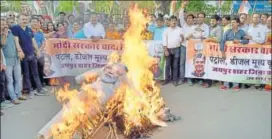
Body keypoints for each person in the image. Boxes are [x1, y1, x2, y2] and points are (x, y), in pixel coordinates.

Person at [12, 14, 48, 99]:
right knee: (26, 74)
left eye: (25, 19)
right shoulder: (16, 28)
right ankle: (30, 91)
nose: (24, 21)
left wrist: (38, 50)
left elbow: (33, 41)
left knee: (35, 73)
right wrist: (19, 51)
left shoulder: (28, 29)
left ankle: (39, 89)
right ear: (18, 20)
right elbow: (16, 41)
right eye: (23, 19)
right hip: (24, 55)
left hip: (32, 54)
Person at [1, 18, 27, 104]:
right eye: (2, 24)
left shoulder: (11, 32)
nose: (4, 26)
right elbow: (2, 45)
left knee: (18, 78)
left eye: (5, 24)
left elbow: (16, 43)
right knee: (10, 80)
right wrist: (4, 34)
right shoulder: (2, 35)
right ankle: (13, 97)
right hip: (7, 61)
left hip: (16, 59)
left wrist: (19, 52)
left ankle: (18, 94)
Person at [220, 16, 249, 91]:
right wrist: (222, 52)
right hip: (228, 54)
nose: (232, 23)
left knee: (236, 68)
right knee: (227, 68)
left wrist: (239, 41)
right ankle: (226, 84)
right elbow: (222, 41)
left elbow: (246, 41)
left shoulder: (242, 32)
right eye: (231, 22)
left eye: (234, 22)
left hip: (238, 55)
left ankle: (235, 85)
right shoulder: (227, 31)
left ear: (238, 23)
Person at [162, 16, 184, 86]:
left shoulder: (180, 29)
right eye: (172, 21)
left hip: (177, 49)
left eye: (175, 20)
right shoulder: (166, 30)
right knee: (167, 65)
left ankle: (175, 80)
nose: (173, 22)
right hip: (168, 49)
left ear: (177, 22)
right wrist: (165, 50)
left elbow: (181, 40)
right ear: (169, 22)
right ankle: (167, 79)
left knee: (175, 65)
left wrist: (182, 38)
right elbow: (164, 40)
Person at [202, 15, 223, 88]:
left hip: (215, 51)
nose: (212, 22)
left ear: (217, 21)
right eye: (211, 21)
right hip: (208, 50)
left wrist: (209, 39)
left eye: (213, 21)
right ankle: (209, 80)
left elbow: (219, 39)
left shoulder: (219, 28)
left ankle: (209, 82)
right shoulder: (209, 28)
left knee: (211, 65)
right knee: (207, 65)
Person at [31, 17, 48, 87]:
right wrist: (35, 51)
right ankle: (34, 85)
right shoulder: (29, 31)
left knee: (41, 69)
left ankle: (41, 82)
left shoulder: (40, 32)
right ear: (30, 23)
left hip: (40, 53)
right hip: (32, 53)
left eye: (36, 22)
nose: (35, 23)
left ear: (38, 23)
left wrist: (39, 50)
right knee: (33, 70)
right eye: (33, 21)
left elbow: (44, 42)